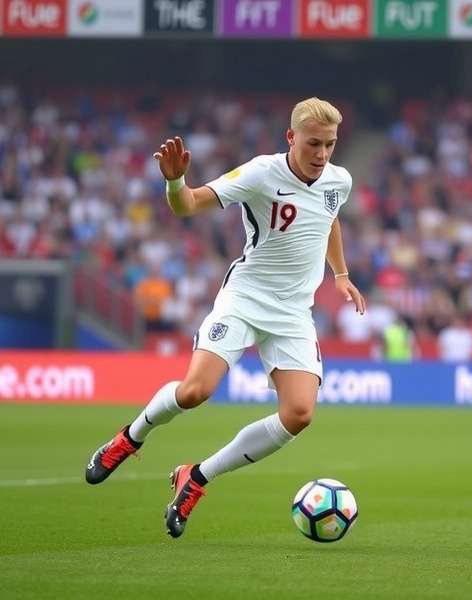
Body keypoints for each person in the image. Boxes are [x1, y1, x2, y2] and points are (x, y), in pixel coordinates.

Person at [85, 98, 366, 539]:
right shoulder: (260, 173)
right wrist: (176, 181)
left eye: (330, 145)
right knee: (196, 391)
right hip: (246, 298)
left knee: (299, 414)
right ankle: (130, 437)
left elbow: (329, 217)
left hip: (293, 312)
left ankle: (196, 477)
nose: (322, 154)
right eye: (314, 143)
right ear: (291, 138)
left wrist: (342, 274)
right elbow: (188, 205)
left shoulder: (338, 180)